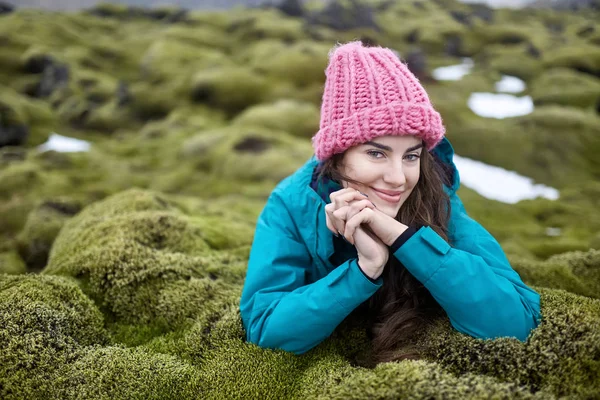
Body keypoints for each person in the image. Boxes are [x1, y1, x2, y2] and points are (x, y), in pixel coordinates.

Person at [239, 41, 541, 363]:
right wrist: (364, 270)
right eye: (376, 153)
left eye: (411, 155)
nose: (398, 178)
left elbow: (514, 322)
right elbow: (266, 328)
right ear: (337, 157)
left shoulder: (435, 196)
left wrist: (403, 238)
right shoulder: (291, 206)